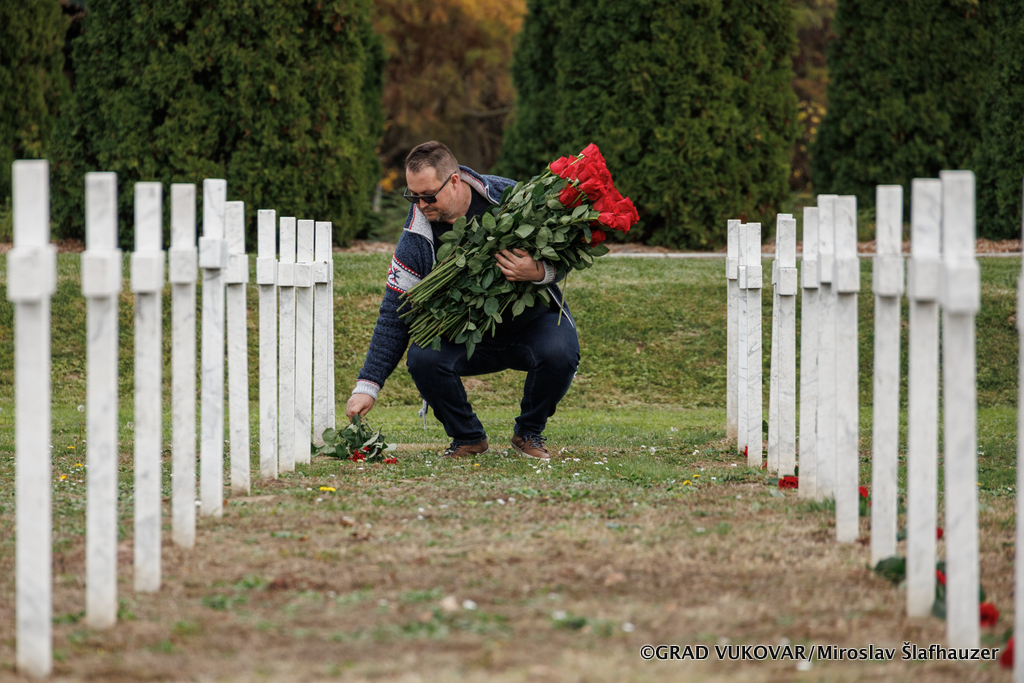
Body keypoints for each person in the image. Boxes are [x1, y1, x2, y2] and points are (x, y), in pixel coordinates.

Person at [345, 141, 580, 460]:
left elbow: (567, 250)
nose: (420, 204)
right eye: (413, 196)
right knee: (423, 358)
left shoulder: (508, 197)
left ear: (454, 181)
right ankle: (468, 438)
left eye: (429, 195)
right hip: (468, 336)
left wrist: (540, 271)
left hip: (532, 325)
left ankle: (529, 433)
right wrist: (368, 385)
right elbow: (395, 311)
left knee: (561, 352)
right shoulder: (416, 237)